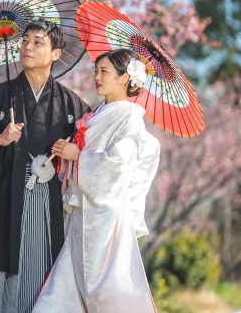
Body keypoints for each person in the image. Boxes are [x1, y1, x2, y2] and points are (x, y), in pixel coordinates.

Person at [0, 18, 91, 313]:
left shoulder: (70, 103)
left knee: (50, 268)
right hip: (10, 199)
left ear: (55, 54)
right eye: (24, 40)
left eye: (38, 42)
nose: (27, 46)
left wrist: (73, 151)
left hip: (54, 201)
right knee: (9, 273)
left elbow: (91, 146)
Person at [32, 48, 160, 313]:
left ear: (125, 78)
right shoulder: (100, 113)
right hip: (85, 212)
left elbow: (119, 162)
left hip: (107, 219)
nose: (97, 77)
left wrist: (79, 154)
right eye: (96, 71)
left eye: (105, 72)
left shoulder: (130, 118)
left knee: (104, 292)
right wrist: (68, 154)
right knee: (65, 292)